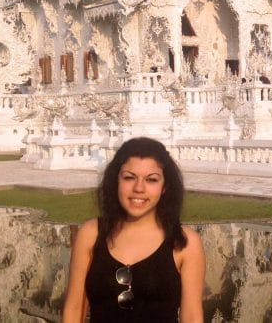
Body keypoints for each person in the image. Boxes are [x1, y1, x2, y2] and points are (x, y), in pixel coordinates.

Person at [63, 137, 205, 322]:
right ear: (116, 181)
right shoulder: (91, 234)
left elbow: (192, 316)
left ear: (165, 187)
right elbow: (74, 309)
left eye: (151, 180)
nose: (139, 188)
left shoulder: (184, 242)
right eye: (129, 177)